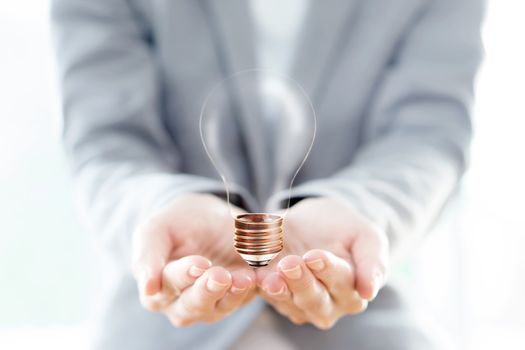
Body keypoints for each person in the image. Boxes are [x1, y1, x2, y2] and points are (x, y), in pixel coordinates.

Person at [51, 0, 483, 349]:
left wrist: (360, 209)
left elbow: (427, 133)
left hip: (364, 327)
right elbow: (107, 140)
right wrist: (161, 207)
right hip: (156, 332)